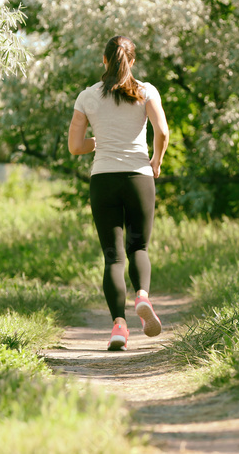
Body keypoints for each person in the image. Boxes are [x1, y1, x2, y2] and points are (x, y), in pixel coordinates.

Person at [68, 35, 169, 351]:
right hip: (138, 176)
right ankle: (142, 297)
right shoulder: (146, 90)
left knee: (113, 256)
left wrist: (102, 142)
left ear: (104, 60)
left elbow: (75, 146)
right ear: (133, 61)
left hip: (103, 179)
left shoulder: (88, 96)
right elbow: (162, 132)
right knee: (139, 245)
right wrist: (156, 161)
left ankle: (118, 328)